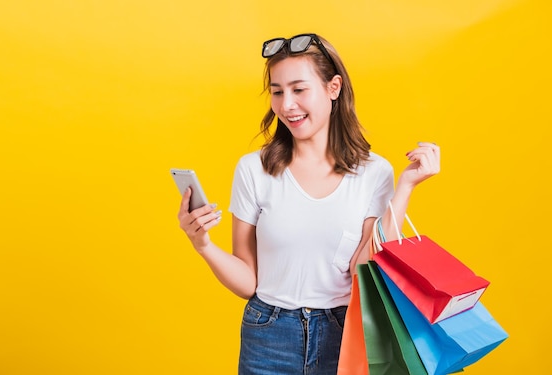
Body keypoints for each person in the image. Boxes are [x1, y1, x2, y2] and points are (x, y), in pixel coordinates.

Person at [177, 33, 440, 375]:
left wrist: (404, 189)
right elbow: (248, 283)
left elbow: (364, 270)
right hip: (268, 333)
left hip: (344, 331)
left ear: (334, 88)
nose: (286, 105)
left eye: (299, 90)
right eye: (277, 92)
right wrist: (202, 243)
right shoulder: (254, 169)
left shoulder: (375, 173)